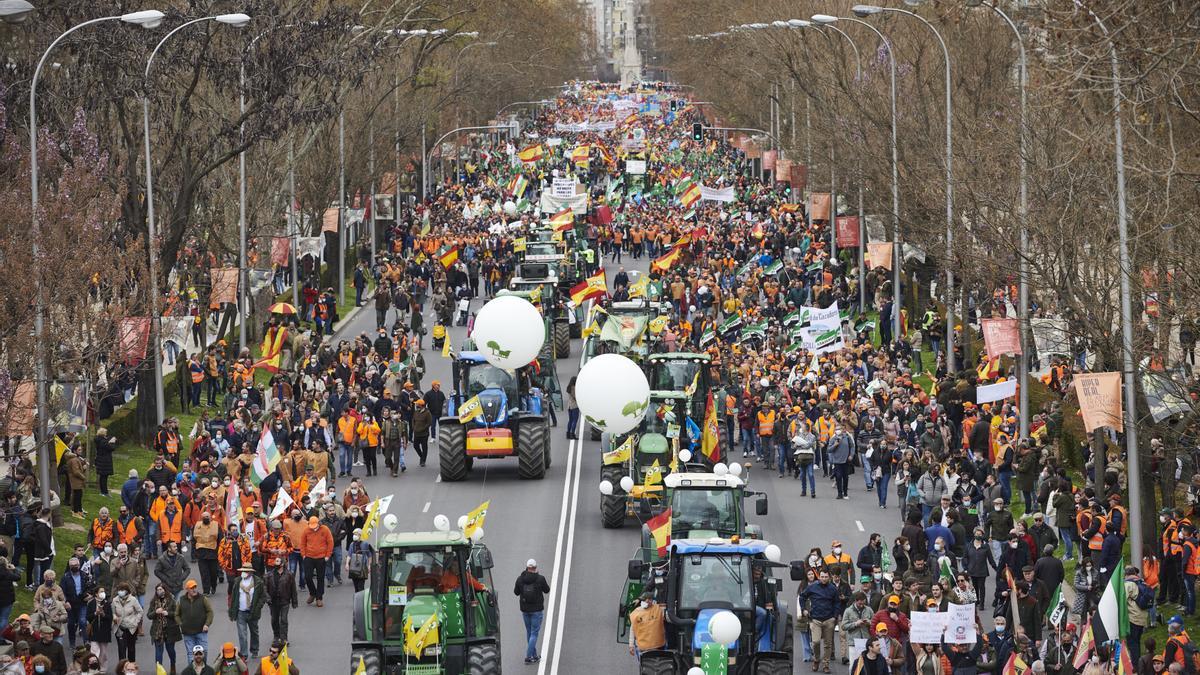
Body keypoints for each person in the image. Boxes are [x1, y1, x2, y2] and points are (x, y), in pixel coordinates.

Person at [800, 570, 840, 673]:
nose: (824, 579)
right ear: (819, 577)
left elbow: (837, 603)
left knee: (828, 644)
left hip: (829, 619)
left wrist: (835, 617)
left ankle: (826, 664)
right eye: (822, 577)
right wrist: (803, 609)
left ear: (829, 577)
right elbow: (802, 596)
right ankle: (816, 660)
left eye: (826, 577)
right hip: (816, 619)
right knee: (816, 642)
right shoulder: (813, 587)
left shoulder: (833, 589)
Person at [514, 559, 550, 664]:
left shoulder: (520, 579)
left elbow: (516, 592)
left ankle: (534, 655)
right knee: (534, 634)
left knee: (529, 632)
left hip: (525, 610)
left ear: (527, 567)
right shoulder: (540, 579)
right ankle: (529, 656)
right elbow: (547, 590)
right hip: (537, 611)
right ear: (535, 567)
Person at [230, 565, 266, 660]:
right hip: (240, 612)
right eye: (243, 570)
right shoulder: (237, 581)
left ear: (250, 572)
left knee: (254, 632)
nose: (243, 572)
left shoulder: (258, 582)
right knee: (242, 634)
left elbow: (263, 597)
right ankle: (244, 654)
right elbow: (233, 596)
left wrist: (258, 607)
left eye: (246, 571)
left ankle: (254, 650)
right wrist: (232, 610)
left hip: (252, 612)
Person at [149, 581, 182, 674]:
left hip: (170, 630)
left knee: (170, 650)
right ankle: (159, 670)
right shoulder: (153, 601)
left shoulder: (171, 600)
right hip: (157, 631)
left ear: (164, 590)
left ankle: (173, 664)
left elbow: (177, 613)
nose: (159, 591)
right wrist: (155, 612)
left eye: (161, 589)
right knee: (158, 652)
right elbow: (148, 615)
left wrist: (168, 613)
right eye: (157, 590)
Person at [299, 516, 333, 607]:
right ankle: (313, 593)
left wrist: (327, 556)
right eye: (312, 526)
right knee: (307, 577)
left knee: (320, 578)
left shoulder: (325, 529)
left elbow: (330, 542)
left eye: (315, 526)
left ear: (319, 523)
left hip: (321, 557)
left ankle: (319, 598)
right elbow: (302, 543)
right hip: (309, 556)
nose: (313, 528)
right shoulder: (306, 530)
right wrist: (303, 555)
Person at [263, 557, 298, 642]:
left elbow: (293, 588)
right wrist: (267, 598)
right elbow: (264, 588)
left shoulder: (289, 575)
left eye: (278, 561)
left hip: (284, 601)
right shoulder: (269, 575)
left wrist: (294, 601)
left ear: (282, 563)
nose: (276, 562)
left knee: (284, 620)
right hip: (273, 601)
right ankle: (276, 635)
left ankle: (284, 638)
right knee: (274, 619)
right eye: (275, 561)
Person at [177, 579, 213, 658]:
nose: (194, 589)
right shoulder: (181, 600)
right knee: (191, 653)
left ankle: (203, 669)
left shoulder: (203, 599)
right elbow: (177, 614)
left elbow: (210, 612)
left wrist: (207, 624)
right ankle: (192, 670)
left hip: (201, 631)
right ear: (187, 589)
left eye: (195, 587)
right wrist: (181, 624)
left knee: (204, 652)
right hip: (188, 632)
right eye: (191, 588)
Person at [628, 591, 666, 661]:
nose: (647, 601)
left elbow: (668, 613)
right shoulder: (636, 613)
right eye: (645, 599)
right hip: (643, 648)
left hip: (658, 646)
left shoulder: (658, 609)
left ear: (652, 600)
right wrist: (631, 645)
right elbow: (632, 630)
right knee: (644, 665)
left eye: (649, 599)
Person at [111, 582, 142, 664]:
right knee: (121, 649)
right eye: (119, 590)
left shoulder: (133, 600)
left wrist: (136, 622)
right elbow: (112, 612)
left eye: (122, 590)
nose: (120, 591)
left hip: (131, 628)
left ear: (127, 591)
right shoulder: (115, 600)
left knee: (131, 649)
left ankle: (131, 667)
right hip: (120, 628)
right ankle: (122, 668)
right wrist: (114, 616)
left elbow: (140, 612)